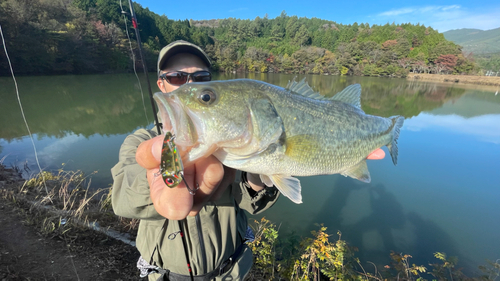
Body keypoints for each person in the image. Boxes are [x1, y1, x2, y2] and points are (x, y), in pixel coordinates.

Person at [111, 40, 385, 281]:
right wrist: (159, 178)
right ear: (161, 84)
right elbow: (122, 201)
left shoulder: (230, 150)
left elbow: (250, 202)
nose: (190, 85)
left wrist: (258, 178)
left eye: (204, 84)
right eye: (177, 78)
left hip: (231, 273)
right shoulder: (140, 141)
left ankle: (390, 129)